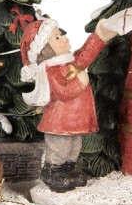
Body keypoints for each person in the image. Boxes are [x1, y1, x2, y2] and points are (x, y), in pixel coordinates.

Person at [20, 18, 117, 192]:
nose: (64, 38)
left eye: (61, 34)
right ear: (45, 49)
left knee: (74, 148)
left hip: (75, 121)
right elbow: (63, 92)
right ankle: (53, 171)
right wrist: (81, 81)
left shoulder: (68, 63)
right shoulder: (51, 69)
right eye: (57, 37)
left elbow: (85, 55)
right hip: (59, 123)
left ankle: (69, 170)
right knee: (60, 149)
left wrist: (99, 36)